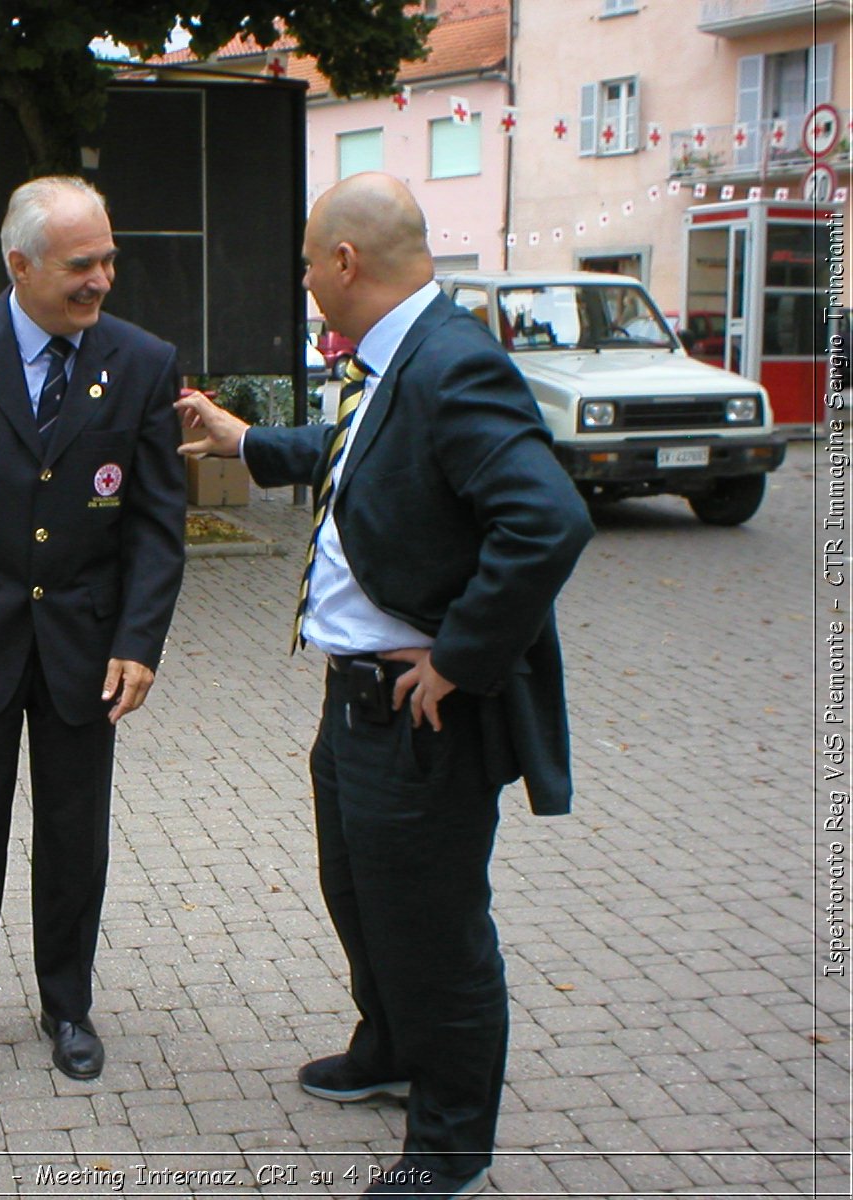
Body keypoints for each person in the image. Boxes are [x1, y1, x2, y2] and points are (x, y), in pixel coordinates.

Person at [178, 173, 593, 1199]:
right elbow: (360, 455)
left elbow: (546, 521)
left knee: (436, 928)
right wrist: (245, 443)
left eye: (309, 265)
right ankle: (391, 1050)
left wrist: (458, 656)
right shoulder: (399, 358)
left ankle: (451, 1145)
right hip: (355, 700)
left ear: (344, 263)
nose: (307, 285)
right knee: (360, 893)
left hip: (420, 713)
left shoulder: (453, 364)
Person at [0, 175, 186, 1087]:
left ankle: (68, 1006)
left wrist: (138, 641)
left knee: (73, 835)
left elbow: (154, 522)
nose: (102, 280)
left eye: (109, 260)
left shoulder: (140, 360)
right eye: (81, 265)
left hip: (84, 652)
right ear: (19, 264)